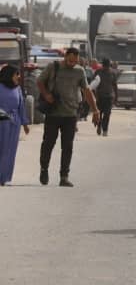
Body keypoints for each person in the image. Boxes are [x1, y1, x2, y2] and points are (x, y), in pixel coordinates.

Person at [37, 47, 100, 187]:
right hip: (53, 113)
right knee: (48, 144)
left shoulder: (79, 71)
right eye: (70, 60)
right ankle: (44, 169)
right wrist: (46, 95)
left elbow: (87, 91)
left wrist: (95, 111)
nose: (72, 63)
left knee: (67, 147)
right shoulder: (53, 67)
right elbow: (39, 81)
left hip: (70, 115)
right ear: (65, 57)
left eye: (75, 61)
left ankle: (64, 176)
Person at [0, 65, 30, 186]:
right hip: (1, 122)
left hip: (14, 123)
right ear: (8, 75)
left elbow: (21, 106)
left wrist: (25, 123)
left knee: (10, 150)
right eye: (16, 74)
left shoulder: (17, 89)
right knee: (1, 149)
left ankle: (5, 177)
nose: (18, 77)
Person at [90, 58, 118, 136]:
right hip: (100, 96)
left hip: (109, 97)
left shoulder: (112, 73)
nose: (106, 67)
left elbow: (115, 85)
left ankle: (105, 130)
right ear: (103, 65)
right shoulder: (98, 72)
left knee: (107, 114)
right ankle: (99, 126)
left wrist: (116, 97)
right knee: (100, 113)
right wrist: (94, 95)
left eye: (107, 65)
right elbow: (93, 84)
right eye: (105, 65)